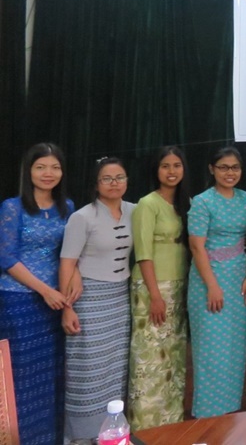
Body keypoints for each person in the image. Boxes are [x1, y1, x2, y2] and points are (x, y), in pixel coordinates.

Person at [0, 142, 73, 445]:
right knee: (20, 374)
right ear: (28, 171)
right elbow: (6, 258)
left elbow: (71, 251)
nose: (48, 173)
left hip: (54, 303)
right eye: (41, 166)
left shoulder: (66, 206)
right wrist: (45, 290)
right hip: (19, 301)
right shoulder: (12, 207)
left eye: (55, 167)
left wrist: (70, 285)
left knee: (50, 375)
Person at [59, 157, 136, 443]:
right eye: (107, 178)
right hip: (88, 299)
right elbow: (67, 264)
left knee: (115, 369)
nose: (115, 183)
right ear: (95, 184)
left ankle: (111, 432)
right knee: (87, 370)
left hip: (120, 300)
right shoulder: (82, 217)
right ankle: (81, 436)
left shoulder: (135, 211)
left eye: (120, 177)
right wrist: (67, 309)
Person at [187, 147, 246, 417]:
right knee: (210, 352)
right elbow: (196, 247)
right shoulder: (203, 202)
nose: (230, 173)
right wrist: (213, 285)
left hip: (239, 279)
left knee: (235, 350)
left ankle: (230, 409)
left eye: (235, 168)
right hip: (209, 280)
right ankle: (206, 414)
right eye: (224, 167)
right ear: (211, 169)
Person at [127, 146, 191, 430]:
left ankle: (171, 422)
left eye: (177, 165)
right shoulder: (147, 203)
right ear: (156, 170)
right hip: (152, 287)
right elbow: (143, 253)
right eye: (165, 165)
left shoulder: (184, 204)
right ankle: (145, 425)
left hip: (179, 286)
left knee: (174, 357)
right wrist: (154, 296)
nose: (172, 171)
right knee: (149, 357)